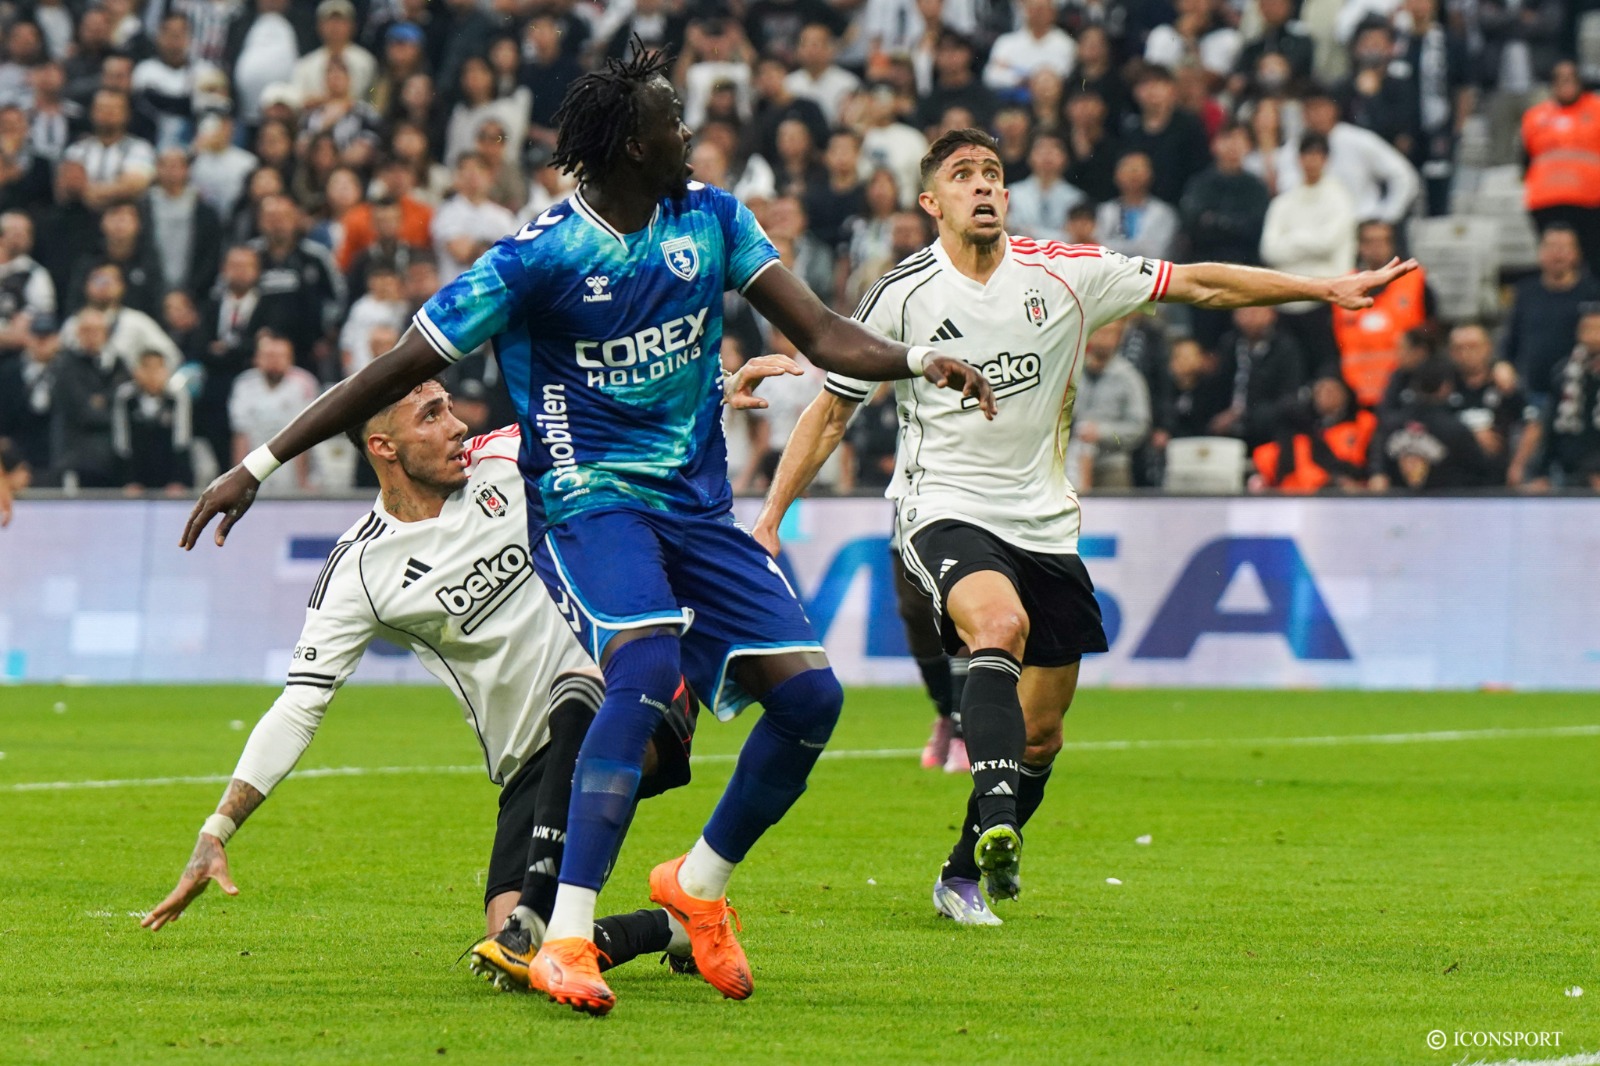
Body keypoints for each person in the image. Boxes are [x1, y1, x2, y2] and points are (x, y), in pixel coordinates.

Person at [179, 48, 995, 1016]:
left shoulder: (712, 219)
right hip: (587, 501)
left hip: (696, 506)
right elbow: (392, 369)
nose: (688, 135)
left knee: (812, 699)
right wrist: (258, 465)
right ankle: (569, 935)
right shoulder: (537, 259)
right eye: (671, 121)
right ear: (630, 145)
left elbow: (820, 332)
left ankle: (696, 888)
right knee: (640, 669)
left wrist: (917, 359)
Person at [751, 127, 1415, 925]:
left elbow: (1199, 284)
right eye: (963, 175)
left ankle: (962, 871)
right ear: (931, 201)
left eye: (992, 172)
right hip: (944, 505)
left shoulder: (1066, 273)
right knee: (999, 625)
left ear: (1007, 194)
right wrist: (772, 517)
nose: (982, 185)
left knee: (1043, 736)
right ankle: (998, 817)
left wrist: (1322, 288)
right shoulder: (901, 293)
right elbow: (831, 412)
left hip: (1044, 521)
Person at [142, 382, 713, 987]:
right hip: (532, 757)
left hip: (637, 683)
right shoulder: (361, 570)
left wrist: (716, 389)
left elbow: (619, 414)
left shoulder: (509, 457)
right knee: (513, 961)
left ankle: (535, 920)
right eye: (431, 416)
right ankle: (673, 925)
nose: (457, 425)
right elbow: (299, 707)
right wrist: (217, 828)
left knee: (579, 694)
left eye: (450, 408)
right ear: (384, 446)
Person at [1521, 61, 1600, 276]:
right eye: (1560, 78)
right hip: (1546, 201)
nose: (1565, 83)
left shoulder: (1596, 110)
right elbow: (1525, 160)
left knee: (1592, 260)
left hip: (1590, 201)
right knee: (1555, 262)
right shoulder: (1535, 116)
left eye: (1570, 77)